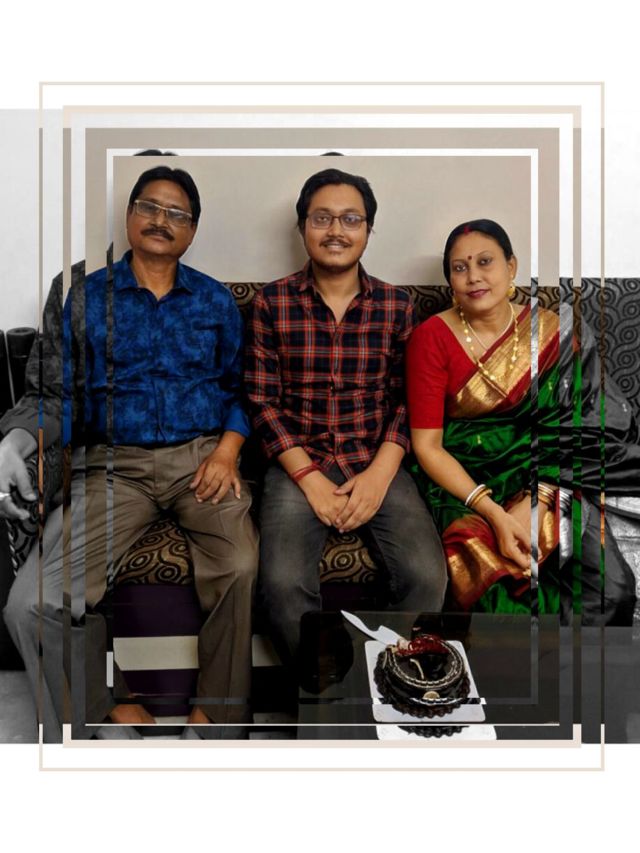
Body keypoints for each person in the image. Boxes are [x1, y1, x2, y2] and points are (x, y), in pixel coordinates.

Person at [0, 165, 258, 740]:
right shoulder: (82, 294)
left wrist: (227, 451)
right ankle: (102, 708)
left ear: (193, 231)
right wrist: (14, 441)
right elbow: (53, 396)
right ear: (129, 215)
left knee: (240, 564)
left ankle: (215, 717)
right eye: (150, 207)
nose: (161, 221)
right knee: (30, 604)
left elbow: (242, 391)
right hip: (113, 468)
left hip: (201, 460)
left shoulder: (215, 301)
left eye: (177, 213)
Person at [245, 167, 446, 670]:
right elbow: (262, 402)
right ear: (302, 227)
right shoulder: (272, 302)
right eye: (322, 218)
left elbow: (407, 400)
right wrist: (309, 479)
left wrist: (380, 475)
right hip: (298, 461)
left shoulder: (397, 305)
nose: (336, 230)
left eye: (350, 219)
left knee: (426, 576)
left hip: (374, 456)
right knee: (280, 585)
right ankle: (328, 689)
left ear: (368, 230)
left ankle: (380, 678)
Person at [406, 218, 637, 624]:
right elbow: (428, 446)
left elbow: (586, 423)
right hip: (463, 482)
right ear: (450, 281)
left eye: (485, 262)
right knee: (497, 598)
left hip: (549, 473)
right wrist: (496, 514)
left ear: (511, 267)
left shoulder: (551, 331)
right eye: (460, 268)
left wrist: (539, 498)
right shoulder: (431, 337)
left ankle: (571, 667)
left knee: (609, 589)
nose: (473, 276)